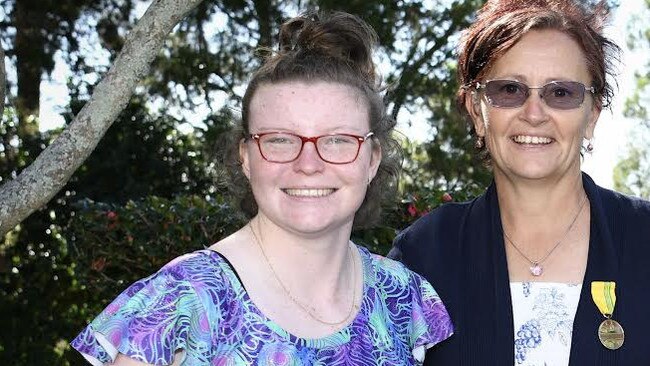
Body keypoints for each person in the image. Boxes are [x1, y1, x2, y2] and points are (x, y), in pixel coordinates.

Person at [71, 11, 453, 365]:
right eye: (280, 139)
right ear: (247, 157)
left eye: (337, 139)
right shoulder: (179, 303)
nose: (308, 164)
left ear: (371, 159)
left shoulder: (404, 298)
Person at [388, 0, 650, 365]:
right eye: (509, 90)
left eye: (561, 93)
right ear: (476, 111)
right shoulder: (424, 255)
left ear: (592, 116)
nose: (534, 113)